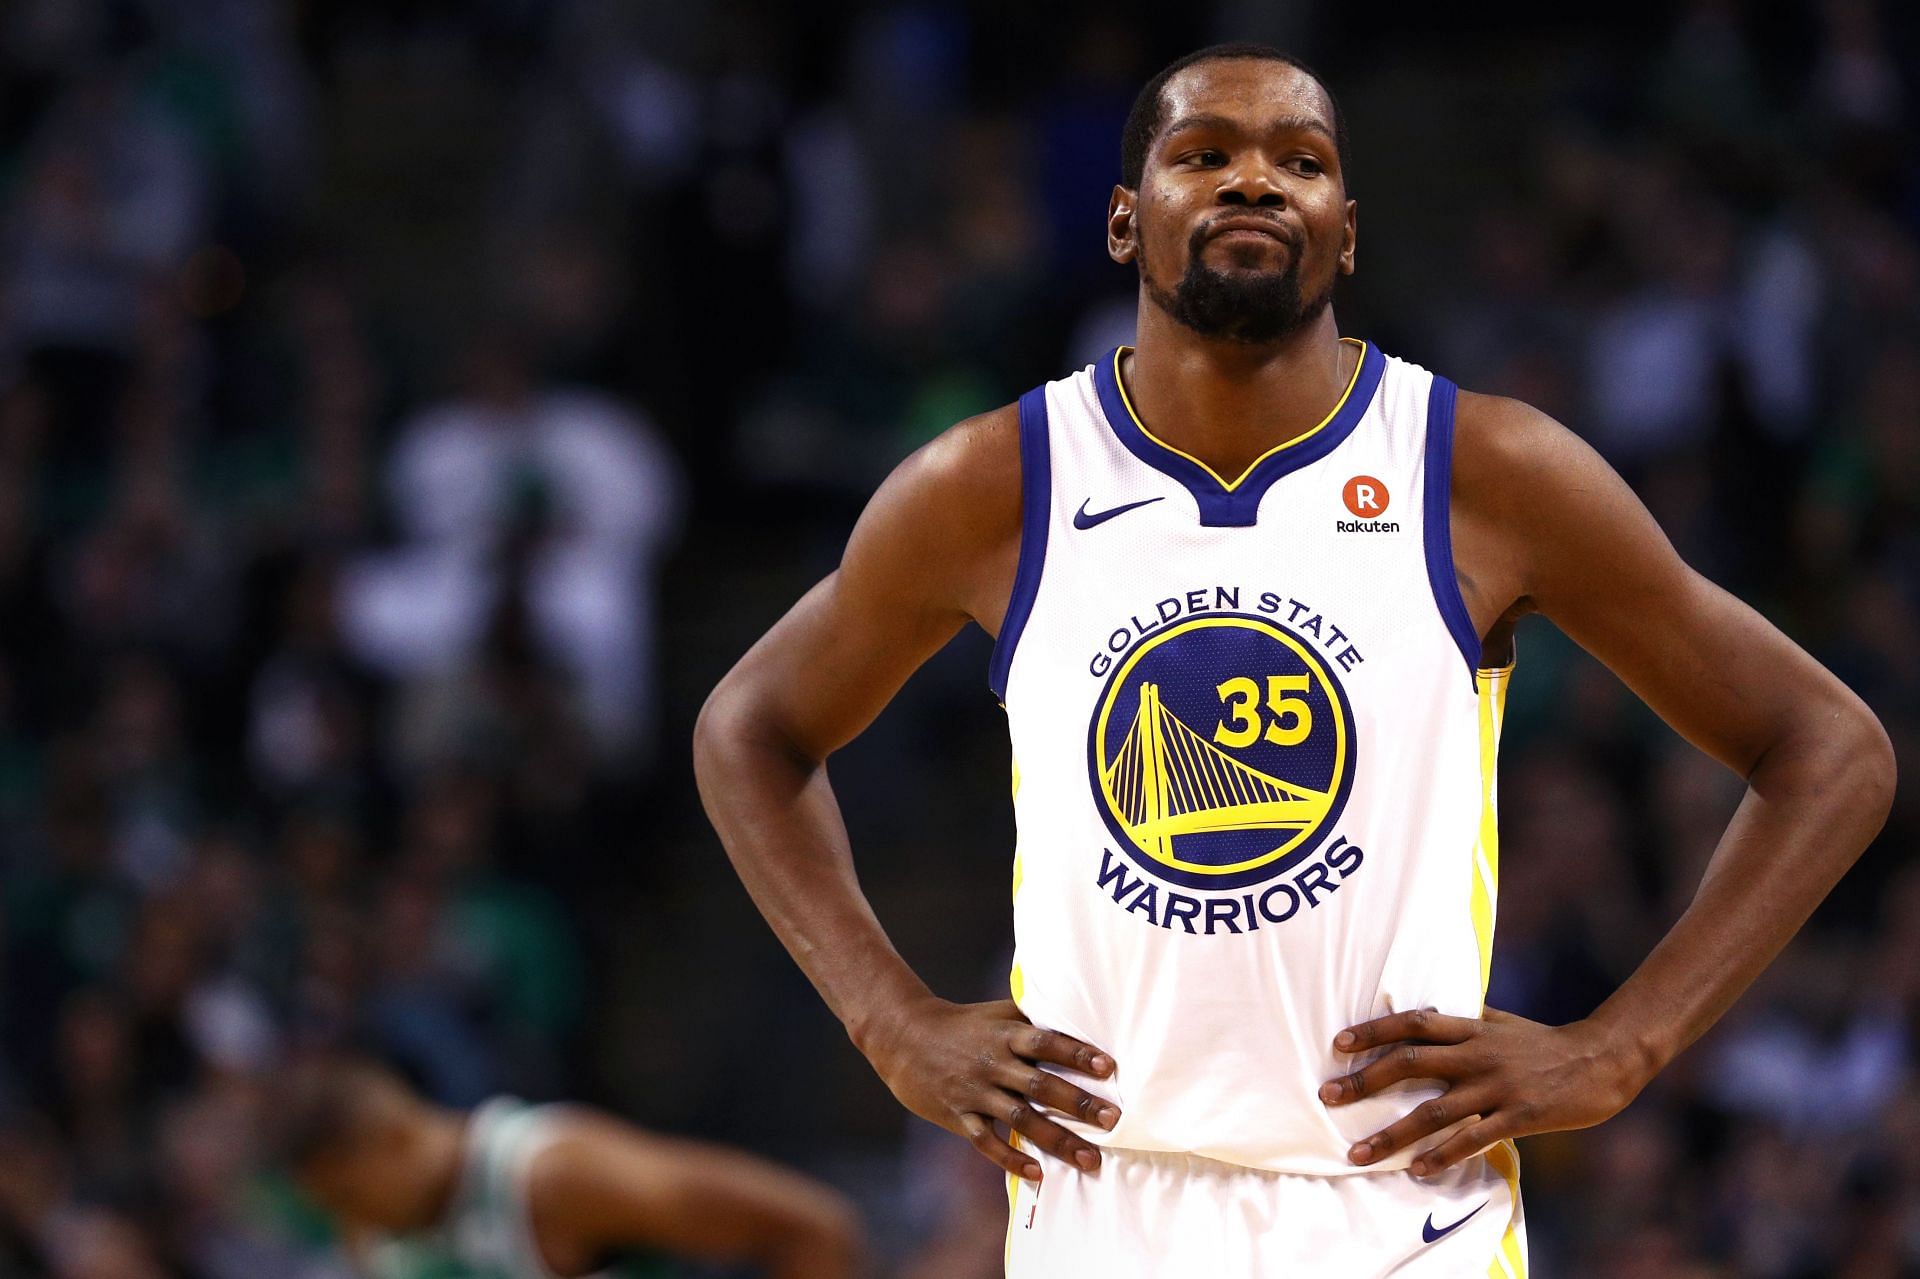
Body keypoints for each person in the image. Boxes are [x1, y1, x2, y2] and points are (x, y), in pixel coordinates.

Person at [693, 42, 1896, 1277]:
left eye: (1300, 161)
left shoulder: (1482, 471)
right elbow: (751, 730)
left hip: (1399, 1208)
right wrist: (887, 1019)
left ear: (1348, 230)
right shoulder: (999, 482)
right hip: (1101, 1201)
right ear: (1124, 220)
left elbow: (1831, 749)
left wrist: (1622, 1046)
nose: (1255, 182)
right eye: (1203, 155)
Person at [277, 1055, 863, 1279]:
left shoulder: (555, 1177)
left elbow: (812, 1226)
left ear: (396, 1138)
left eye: (347, 1197)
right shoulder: (370, 1230)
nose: (342, 1220)